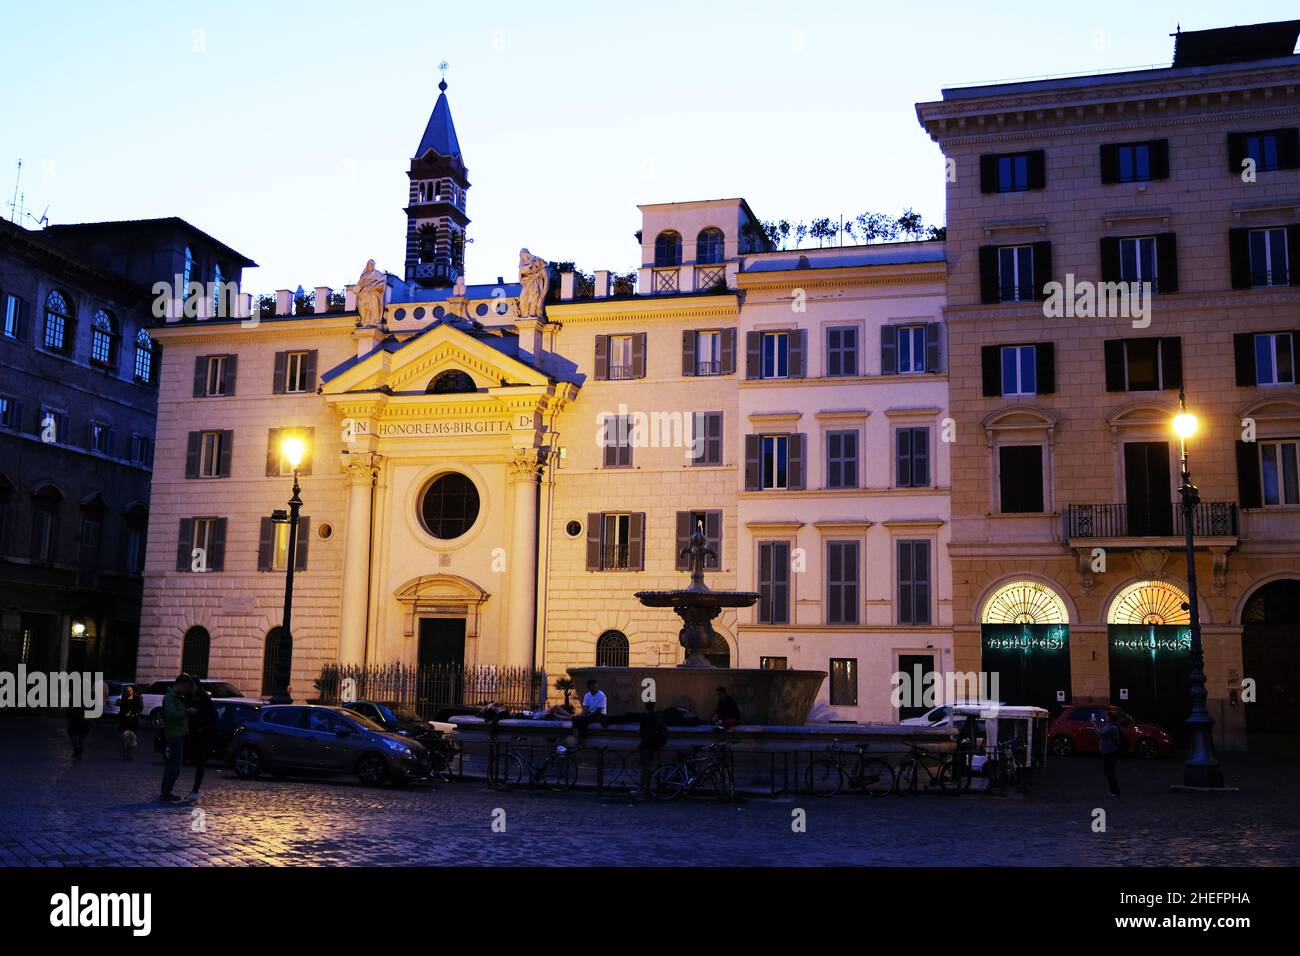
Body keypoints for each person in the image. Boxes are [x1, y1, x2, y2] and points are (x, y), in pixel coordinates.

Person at [159, 675, 196, 803]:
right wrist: (187, 712)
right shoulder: (170, 698)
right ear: (180, 684)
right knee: (174, 765)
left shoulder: (177, 697)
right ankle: (166, 792)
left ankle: (167, 791)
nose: (186, 690)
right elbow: (171, 714)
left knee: (176, 764)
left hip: (179, 733)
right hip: (175, 734)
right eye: (185, 687)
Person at [186, 680, 217, 802]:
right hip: (191, 733)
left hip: (201, 734)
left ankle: (195, 789)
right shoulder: (189, 696)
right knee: (193, 761)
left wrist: (200, 724)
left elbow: (212, 716)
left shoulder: (203, 698)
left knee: (199, 763)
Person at [635, 700, 668, 797]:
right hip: (653, 746)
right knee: (648, 767)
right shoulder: (657, 717)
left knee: (645, 768)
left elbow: (640, 732)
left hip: (645, 745)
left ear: (646, 707)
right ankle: (647, 789)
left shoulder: (645, 717)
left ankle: (643, 789)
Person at [1092, 710, 1123, 797]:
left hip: (1111, 753)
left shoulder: (1113, 728)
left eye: (1107, 716)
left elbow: (1100, 734)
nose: (1105, 717)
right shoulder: (1108, 725)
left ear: (1111, 718)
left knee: (1110, 772)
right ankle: (1112, 790)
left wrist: (1093, 724)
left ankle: (1115, 792)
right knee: (1108, 772)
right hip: (1106, 752)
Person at [117, 685, 142, 760]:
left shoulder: (136, 699)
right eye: (128, 691)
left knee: (133, 739)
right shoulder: (124, 699)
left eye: (130, 690)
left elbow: (139, 708)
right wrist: (125, 713)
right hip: (125, 721)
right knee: (126, 738)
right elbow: (121, 709)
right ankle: (125, 752)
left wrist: (134, 713)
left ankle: (130, 754)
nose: (129, 692)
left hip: (133, 721)